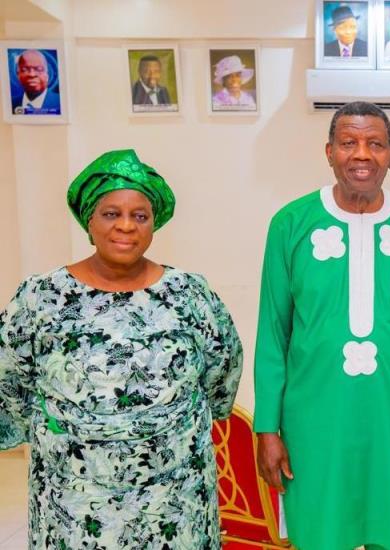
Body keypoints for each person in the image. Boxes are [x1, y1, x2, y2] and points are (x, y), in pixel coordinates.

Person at [0, 149, 244, 548]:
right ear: (89, 220)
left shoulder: (189, 295)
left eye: (139, 216)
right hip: (74, 501)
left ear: (154, 223)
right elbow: (8, 381)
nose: (126, 227)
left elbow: (222, 373)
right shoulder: (40, 297)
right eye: (111, 214)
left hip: (174, 498)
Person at [254, 101, 390, 550]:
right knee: (320, 534)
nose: (362, 154)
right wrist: (267, 428)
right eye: (349, 143)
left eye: (375, 144)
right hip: (314, 419)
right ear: (329, 152)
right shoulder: (291, 225)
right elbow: (273, 332)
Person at [10, 49, 61, 115]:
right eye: (24, 70)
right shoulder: (12, 104)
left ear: (48, 74)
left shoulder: (60, 102)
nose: (32, 74)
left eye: (39, 69)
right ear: (18, 74)